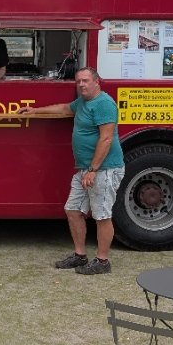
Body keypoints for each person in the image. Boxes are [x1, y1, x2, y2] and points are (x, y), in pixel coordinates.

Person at [16, 67, 125, 274]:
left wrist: (93, 169)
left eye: (85, 81)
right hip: (85, 169)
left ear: (96, 82)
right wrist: (35, 110)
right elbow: (65, 109)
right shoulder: (84, 102)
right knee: (73, 210)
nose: (81, 85)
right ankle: (80, 255)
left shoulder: (104, 104)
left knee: (102, 215)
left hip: (103, 170)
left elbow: (106, 138)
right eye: (78, 82)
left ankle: (103, 262)